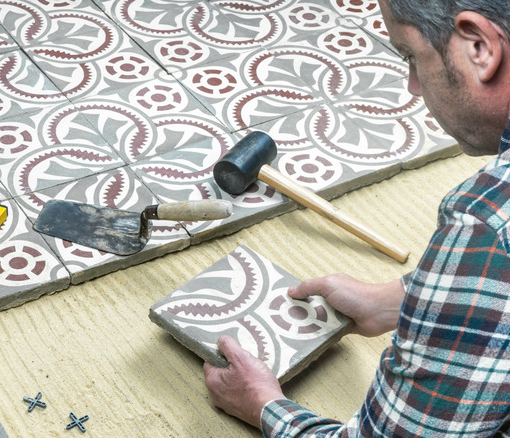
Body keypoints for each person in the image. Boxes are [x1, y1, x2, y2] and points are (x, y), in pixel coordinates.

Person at [203, 0, 510, 435]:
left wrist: (263, 405)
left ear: (479, 46)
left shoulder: (486, 223)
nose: (413, 86)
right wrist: (395, 300)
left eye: (411, 56)